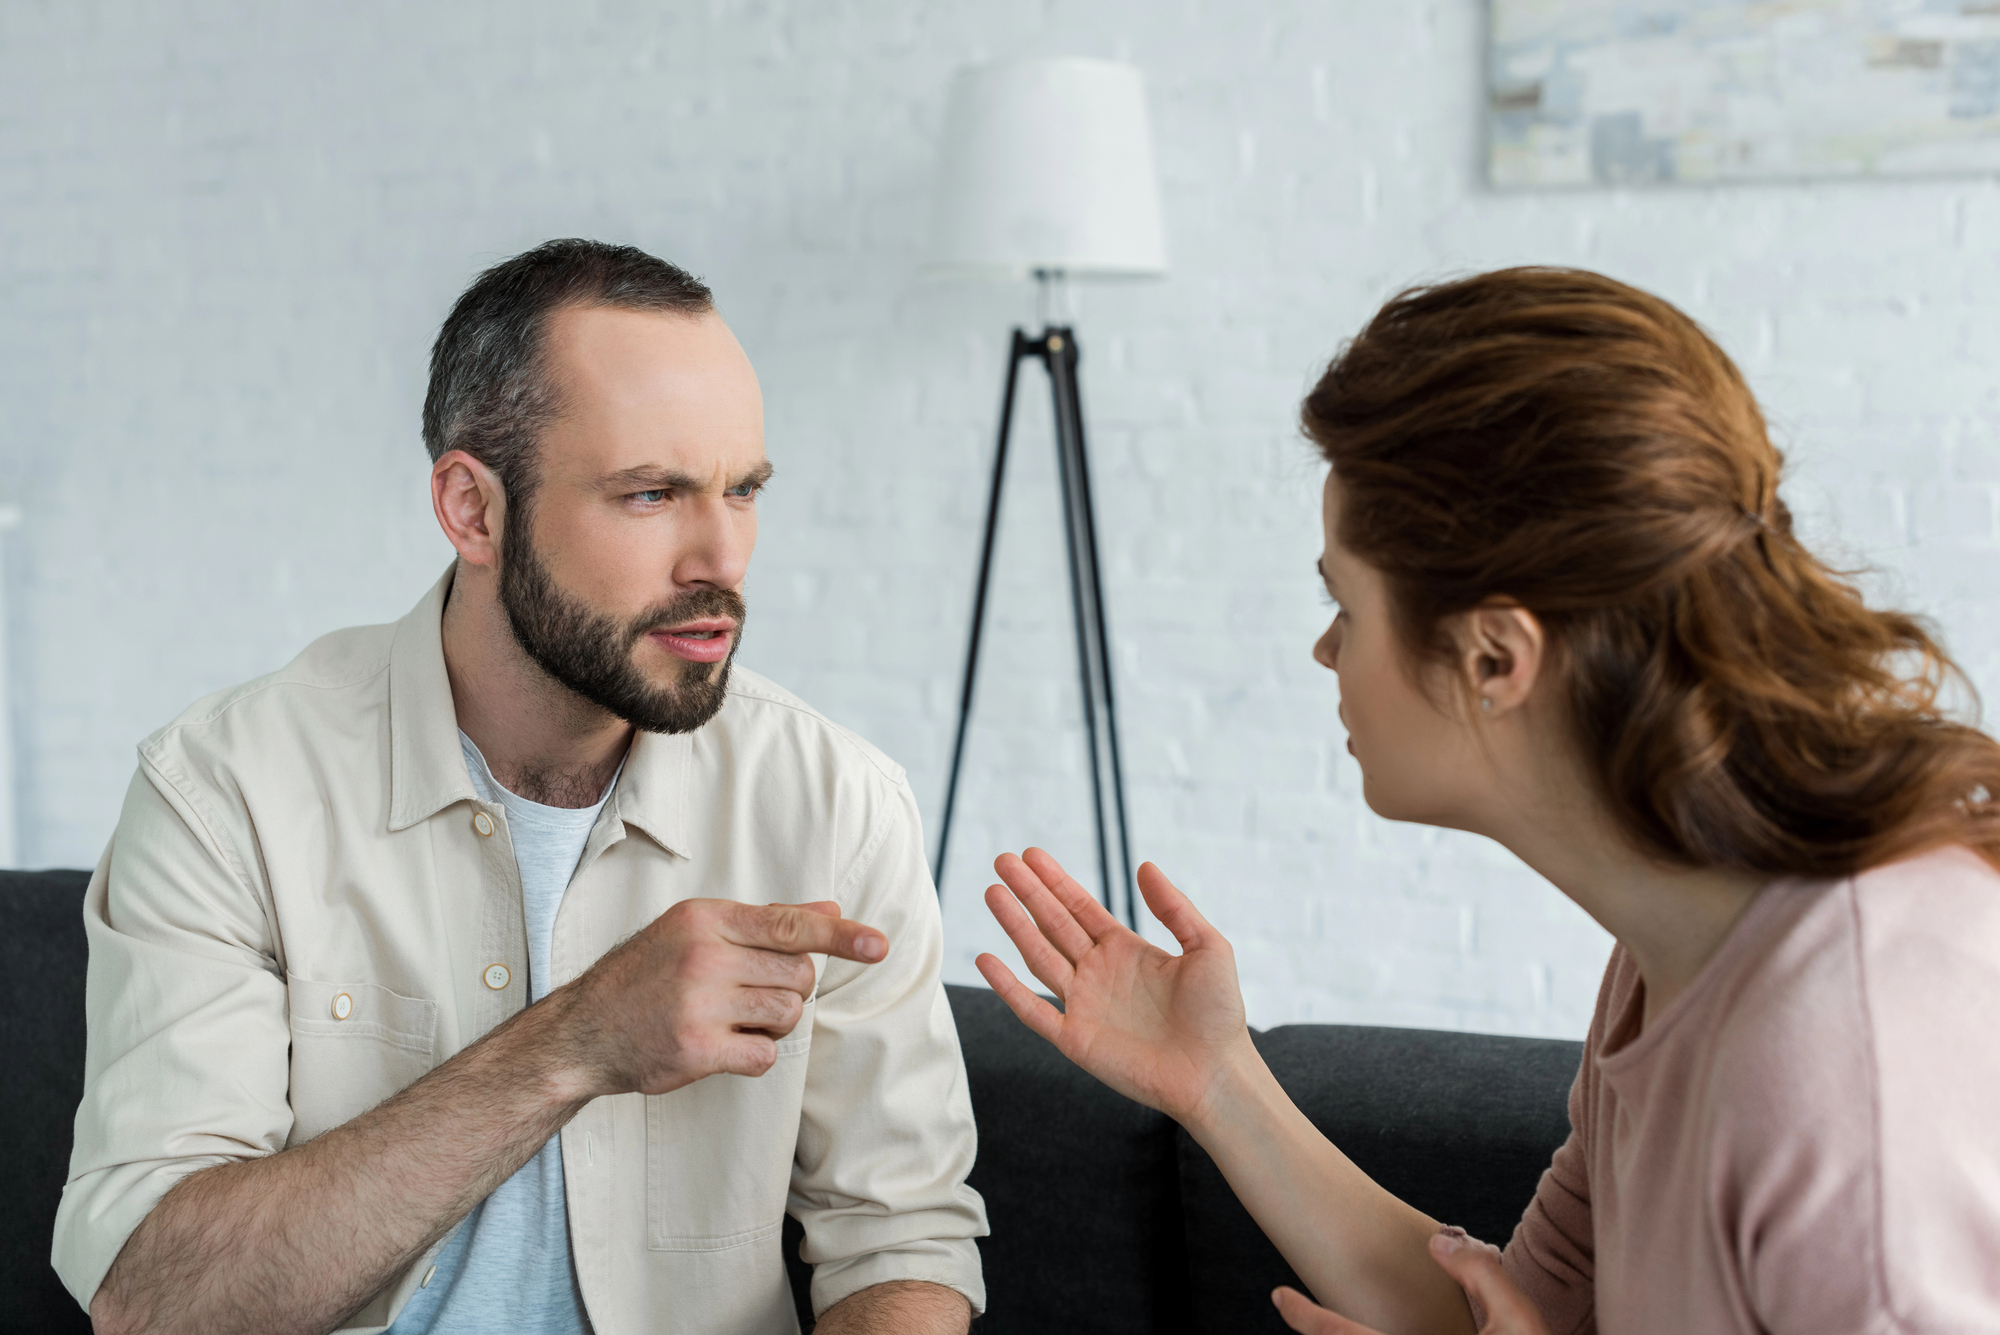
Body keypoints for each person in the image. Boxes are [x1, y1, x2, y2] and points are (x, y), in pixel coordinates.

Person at [977, 267, 2000, 1334]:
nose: (1322, 648)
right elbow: (1515, 1310)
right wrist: (1218, 1081)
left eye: (1345, 604)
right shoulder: (1673, 950)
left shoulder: (1846, 1057)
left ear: (1493, 657)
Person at [54, 240, 986, 1335]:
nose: (721, 558)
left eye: (743, 491)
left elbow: (897, 1240)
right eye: (650, 495)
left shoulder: (834, 802)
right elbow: (153, 1300)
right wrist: (576, 1043)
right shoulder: (226, 791)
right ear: (473, 510)